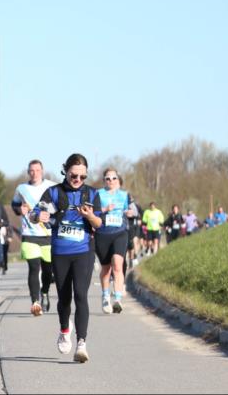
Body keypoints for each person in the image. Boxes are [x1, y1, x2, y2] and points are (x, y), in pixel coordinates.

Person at [31, 154, 103, 362]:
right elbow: (34, 214)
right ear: (65, 170)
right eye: (74, 175)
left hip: (84, 251)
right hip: (60, 252)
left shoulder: (91, 193)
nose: (78, 180)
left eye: (82, 177)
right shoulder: (54, 192)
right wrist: (39, 216)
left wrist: (89, 216)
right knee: (64, 298)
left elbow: (98, 223)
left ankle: (81, 343)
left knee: (81, 295)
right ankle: (64, 330)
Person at [12, 160, 57, 315]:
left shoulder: (52, 186)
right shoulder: (21, 189)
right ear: (28, 172)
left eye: (37, 170)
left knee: (47, 271)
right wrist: (20, 209)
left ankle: (44, 292)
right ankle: (35, 302)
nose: (34, 173)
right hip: (29, 234)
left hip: (48, 235)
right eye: (31, 170)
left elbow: (59, 207)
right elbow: (15, 205)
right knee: (33, 268)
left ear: (42, 171)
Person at [93, 169, 136, 314]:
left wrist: (130, 212)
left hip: (120, 233)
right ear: (104, 180)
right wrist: (105, 209)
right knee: (106, 269)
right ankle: (105, 296)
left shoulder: (124, 195)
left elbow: (133, 210)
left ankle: (117, 299)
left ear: (118, 179)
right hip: (102, 233)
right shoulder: (98, 194)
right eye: (107, 178)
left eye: (113, 178)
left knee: (118, 265)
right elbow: (93, 213)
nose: (111, 181)